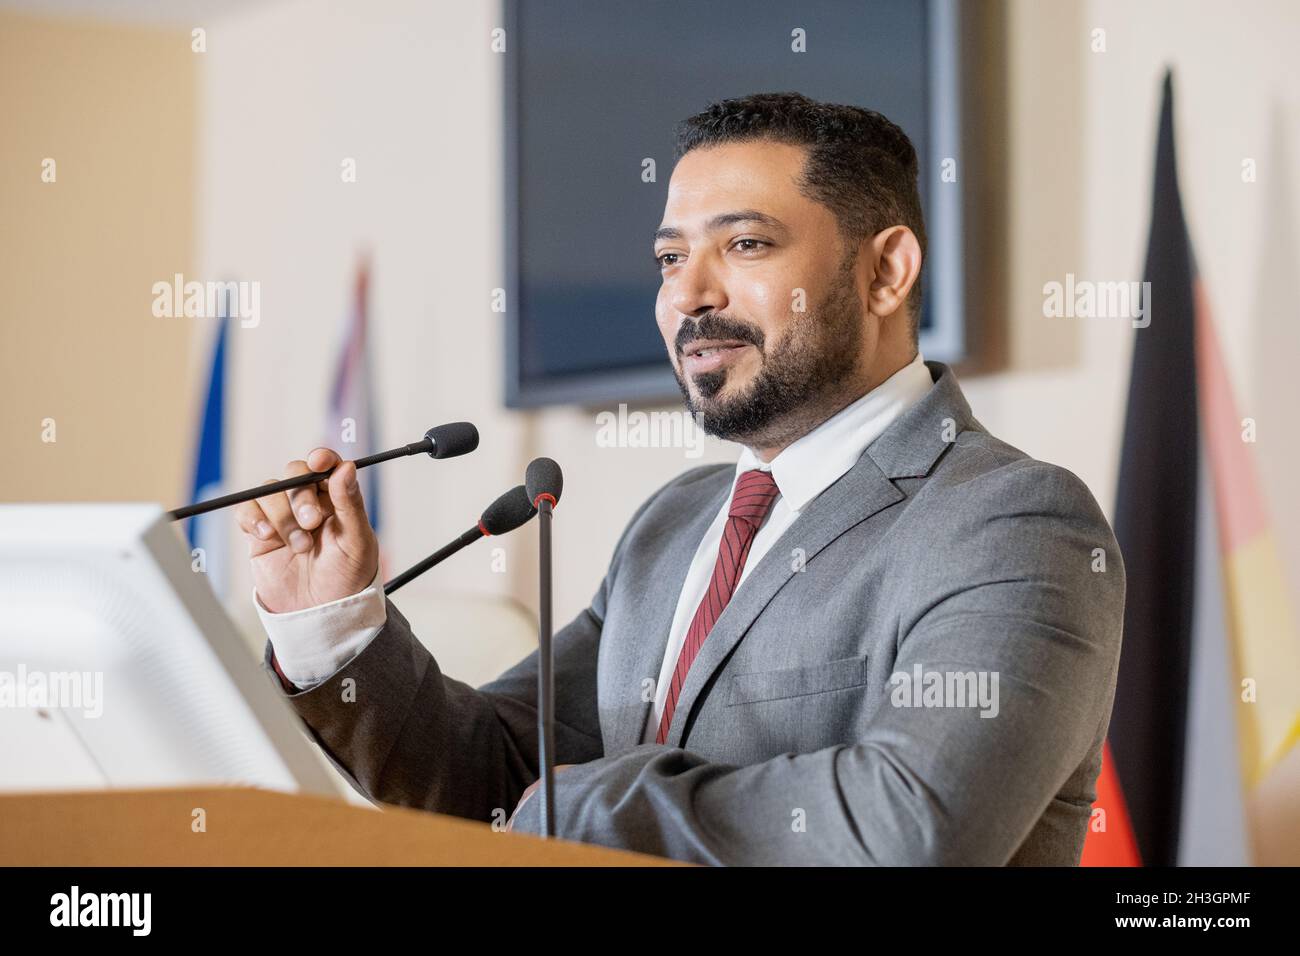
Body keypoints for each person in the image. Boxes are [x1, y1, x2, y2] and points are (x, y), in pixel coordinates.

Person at [239, 92, 1125, 865]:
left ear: (886, 272)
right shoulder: (674, 522)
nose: (688, 295)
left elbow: (912, 827)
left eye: (744, 244)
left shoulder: (1017, 520)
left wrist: (575, 806)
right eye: (669, 259)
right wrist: (336, 626)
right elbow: (496, 779)